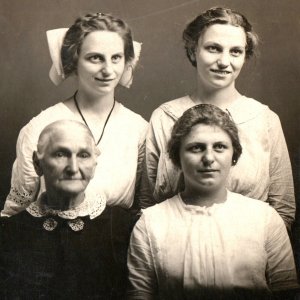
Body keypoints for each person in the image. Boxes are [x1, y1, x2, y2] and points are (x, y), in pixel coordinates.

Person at [141, 7, 295, 230]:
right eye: (214, 48)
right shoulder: (165, 117)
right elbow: (147, 204)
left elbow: (283, 209)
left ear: (245, 56)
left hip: (247, 251)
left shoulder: (264, 119)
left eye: (235, 52)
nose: (224, 62)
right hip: (175, 251)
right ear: (193, 51)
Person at [127, 104, 299, 300]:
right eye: (196, 148)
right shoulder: (150, 223)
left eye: (219, 147)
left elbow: (287, 293)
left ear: (233, 155)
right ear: (177, 157)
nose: (208, 158)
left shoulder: (265, 218)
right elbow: (139, 295)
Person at [1, 12, 147, 216]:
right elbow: (15, 213)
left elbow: (143, 209)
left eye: (116, 58)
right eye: (95, 58)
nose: (107, 70)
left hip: (117, 244)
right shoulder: (41, 126)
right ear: (74, 61)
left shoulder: (139, 129)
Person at [0, 120, 134, 299]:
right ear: (37, 163)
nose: (73, 168)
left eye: (84, 155)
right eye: (61, 154)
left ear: (94, 165)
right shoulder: (9, 231)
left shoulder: (122, 226)